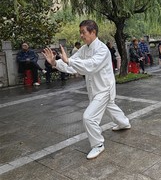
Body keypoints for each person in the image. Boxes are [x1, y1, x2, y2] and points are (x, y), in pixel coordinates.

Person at [42, 20, 131, 160]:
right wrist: (55, 63)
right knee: (110, 107)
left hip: (104, 89)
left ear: (93, 32)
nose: (81, 35)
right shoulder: (84, 49)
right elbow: (72, 65)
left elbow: (91, 65)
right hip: (94, 88)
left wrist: (69, 61)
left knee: (89, 117)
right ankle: (124, 123)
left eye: (83, 32)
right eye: (80, 32)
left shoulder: (102, 49)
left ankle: (98, 145)